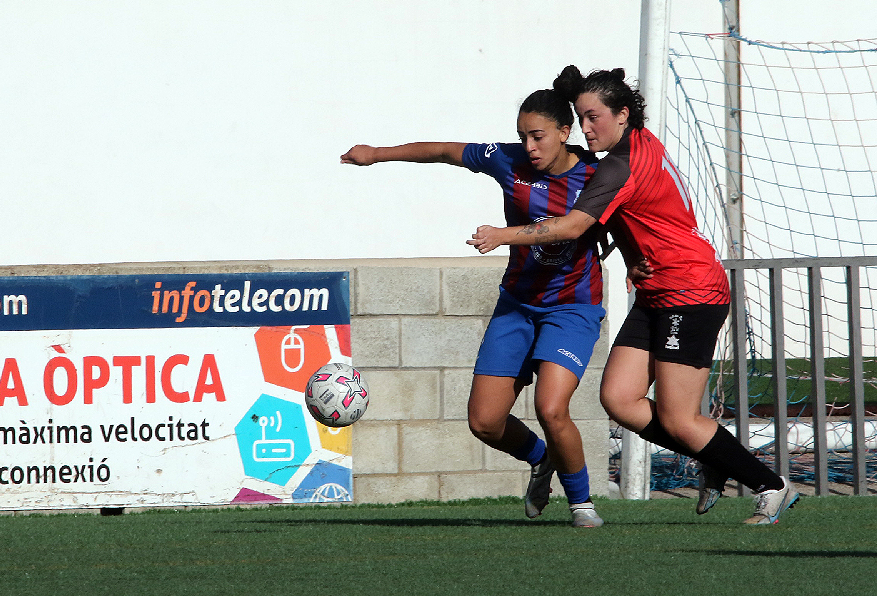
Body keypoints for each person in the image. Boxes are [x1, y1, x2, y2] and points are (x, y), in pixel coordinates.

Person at [467, 66, 799, 525]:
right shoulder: (640, 142)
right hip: (656, 289)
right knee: (620, 400)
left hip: (690, 288)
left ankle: (771, 486)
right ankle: (714, 456)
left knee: (680, 417)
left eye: (593, 117)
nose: (586, 129)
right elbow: (632, 214)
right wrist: (628, 251)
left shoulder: (619, 165)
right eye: (581, 118)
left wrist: (502, 235)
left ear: (622, 115)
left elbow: (574, 224)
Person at [342, 89, 607, 527]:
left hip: (571, 307)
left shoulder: (598, 176)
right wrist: (377, 153)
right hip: (518, 305)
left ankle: (582, 505)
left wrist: (639, 261)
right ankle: (542, 461)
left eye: (538, 136)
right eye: (522, 137)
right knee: (484, 422)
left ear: (565, 132)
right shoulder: (509, 162)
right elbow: (445, 151)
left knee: (551, 408)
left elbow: (630, 218)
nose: (529, 147)